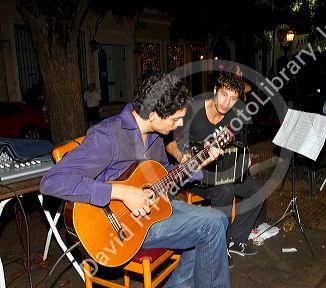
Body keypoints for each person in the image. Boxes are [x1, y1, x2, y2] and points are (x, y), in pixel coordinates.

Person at [40, 74, 231, 287]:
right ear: (152, 113)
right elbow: (51, 181)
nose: (180, 124)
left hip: (155, 210)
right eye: (175, 119)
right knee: (211, 227)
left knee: (219, 220)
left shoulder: (155, 135)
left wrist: (196, 163)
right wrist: (122, 193)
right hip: (121, 228)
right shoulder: (108, 135)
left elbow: (162, 175)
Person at [166, 71, 267, 267]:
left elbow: (235, 143)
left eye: (232, 98)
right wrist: (182, 156)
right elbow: (170, 143)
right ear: (214, 91)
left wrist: (244, 158)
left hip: (222, 173)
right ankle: (219, 246)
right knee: (226, 190)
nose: (226, 102)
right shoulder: (193, 110)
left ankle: (235, 241)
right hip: (195, 176)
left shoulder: (234, 116)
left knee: (258, 189)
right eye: (223, 94)